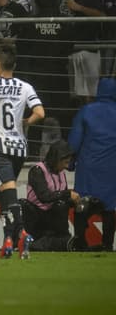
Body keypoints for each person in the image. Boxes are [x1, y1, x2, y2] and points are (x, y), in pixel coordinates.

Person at [0, 44, 46, 260]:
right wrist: (26, 122)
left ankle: (21, 232)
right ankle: (8, 240)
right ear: (13, 66)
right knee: (5, 194)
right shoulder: (25, 87)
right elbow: (40, 112)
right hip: (19, 147)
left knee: (8, 191)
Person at [68, 77, 116, 251]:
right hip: (111, 169)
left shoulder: (86, 111)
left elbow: (75, 141)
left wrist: (70, 162)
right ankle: (107, 244)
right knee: (109, 207)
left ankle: (80, 242)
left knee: (82, 204)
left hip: (88, 168)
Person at [24, 141, 81, 251]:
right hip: (37, 215)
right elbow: (44, 197)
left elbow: (62, 197)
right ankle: (61, 240)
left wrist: (75, 201)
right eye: (65, 162)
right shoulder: (37, 170)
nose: (67, 166)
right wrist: (67, 193)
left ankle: (64, 240)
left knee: (64, 204)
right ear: (56, 159)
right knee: (59, 204)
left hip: (52, 215)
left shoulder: (61, 173)